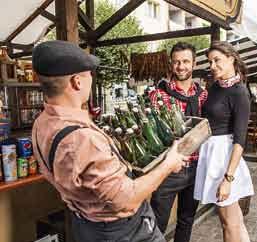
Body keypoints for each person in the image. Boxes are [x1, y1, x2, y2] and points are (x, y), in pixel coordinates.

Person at [31, 40, 188, 242]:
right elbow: (127, 201)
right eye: (89, 74)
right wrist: (168, 164)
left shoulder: (41, 124)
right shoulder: (84, 139)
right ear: (77, 82)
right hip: (122, 232)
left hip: (85, 225)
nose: (91, 79)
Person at [194, 41, 254, 242]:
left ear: (231, 58)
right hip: (212, 154)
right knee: (233, 220)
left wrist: (228, 179)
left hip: (225, 159)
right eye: (210, 61)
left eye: (217, 60)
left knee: (229, 223)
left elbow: (240, 140)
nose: (212, 66)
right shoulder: (215, 88)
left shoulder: (239, 92)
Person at [149, 42, 208, 242]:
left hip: (197, 166)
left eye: (185, 61)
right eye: (176, 62)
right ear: (171, 64)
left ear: (194, 63)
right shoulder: (159, 94)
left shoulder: (203, 95)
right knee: (158, 223)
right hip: (169, 170)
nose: (181, 66)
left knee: (186, 220)